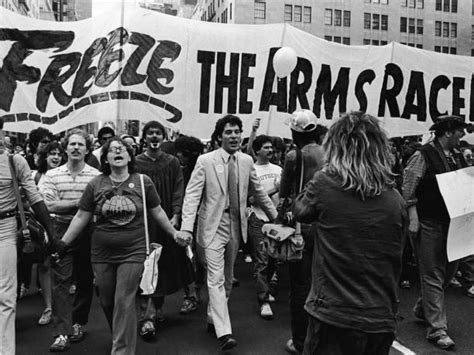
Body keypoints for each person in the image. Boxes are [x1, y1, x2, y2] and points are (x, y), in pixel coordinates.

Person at [51, 136, 186, 355]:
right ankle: (121, 334)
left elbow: (158, 211)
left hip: (133, 251)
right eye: (112, 149)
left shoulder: (143, 181)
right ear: (105, 158)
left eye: (123, 148)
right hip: (102, 253)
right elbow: (81, 216)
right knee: (107, 300)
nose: (118, 151)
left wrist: (174, 233)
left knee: (124, 299)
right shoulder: (96, 184)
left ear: (130, 155)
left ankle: (121, 350)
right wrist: (62, 243)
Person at [294, 111, 407, 355]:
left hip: (333, 314)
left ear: (335, 147)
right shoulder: (395, 199)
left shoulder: (325, 183)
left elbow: (300, 211)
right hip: (380, 317)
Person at [178, 114, 278, 350]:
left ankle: (214, 316)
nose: (234, 136)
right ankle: (225, 332)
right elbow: (192, 196)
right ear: (219, 136)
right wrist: (186, 228)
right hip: (211, 225)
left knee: (228, 278)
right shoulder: (205, 161)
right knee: (215, 278)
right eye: (229, 132)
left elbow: (260, 194)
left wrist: (277, 218)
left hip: (236, 225)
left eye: (237, 132)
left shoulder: (245, 161)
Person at [402, 115, 470, 350]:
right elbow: (408, 187)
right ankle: (437, 329)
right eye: (461, 130)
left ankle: (424, 308)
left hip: (452, 223)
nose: (464, 134)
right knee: (432, 273)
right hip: (429, 222)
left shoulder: (458, 155)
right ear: (448, 132)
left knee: (449, 270)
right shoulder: (422, 155)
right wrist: (413, 217)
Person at [38, 129, 100, 352]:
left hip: (87, 230)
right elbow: (50, 206)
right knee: (61, 281)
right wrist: (82, 203)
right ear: (66, 148)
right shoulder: (52, 175)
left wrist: (78, 206)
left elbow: (96, 206)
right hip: (60, 229)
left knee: (84, 279)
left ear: (87, 149)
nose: (75, 148)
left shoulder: (96, 175)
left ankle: (76, 323)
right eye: (72, 144)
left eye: (80, 145)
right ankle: (61, 333)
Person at [0, 118, 53, 355]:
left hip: (5, 230)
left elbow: (35, 199)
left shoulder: (14, 161)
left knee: (6, 296)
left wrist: (53, 234)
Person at [135, 121, 192, 338]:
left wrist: (176, 215)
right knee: (146, 267)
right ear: (145, 137)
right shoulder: (137, 163)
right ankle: (147, 316)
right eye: (150, 133)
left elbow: (179, 188)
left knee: (164, 267)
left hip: (167, 221)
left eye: (158, 133)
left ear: (163, 136)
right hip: (144, 223)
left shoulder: (172, 162)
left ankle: (156, 308)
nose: (154, 136)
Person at [279, 109, 325, 354]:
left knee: (299, 286)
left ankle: (300, 341)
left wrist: (278, 219)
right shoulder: (329, 152)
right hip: (326, 225)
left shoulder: (294, 155)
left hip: (301, 225)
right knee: (322, 282)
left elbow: (285, 194)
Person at [247, 134, 282, 320]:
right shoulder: (251, 170)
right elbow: (252, 199)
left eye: (271, 148)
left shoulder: (279, 169)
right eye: (266, 147)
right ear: (257, 150)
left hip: (276, 221)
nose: (270, 150)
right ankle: (264, 301)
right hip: (258, 219)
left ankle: (268, 290)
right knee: (261, 261)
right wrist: (274, 189)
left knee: (274, 259)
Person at [31, 141, 65, 326]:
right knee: (44, 265)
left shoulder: (68, 174)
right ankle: (49, 307)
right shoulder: (35, 176)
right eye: (52, 153)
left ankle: (64, 309)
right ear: (44, 157)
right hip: (42, 225)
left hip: (63, 224)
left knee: (64, 266)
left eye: (59, 154)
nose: (56, 157)